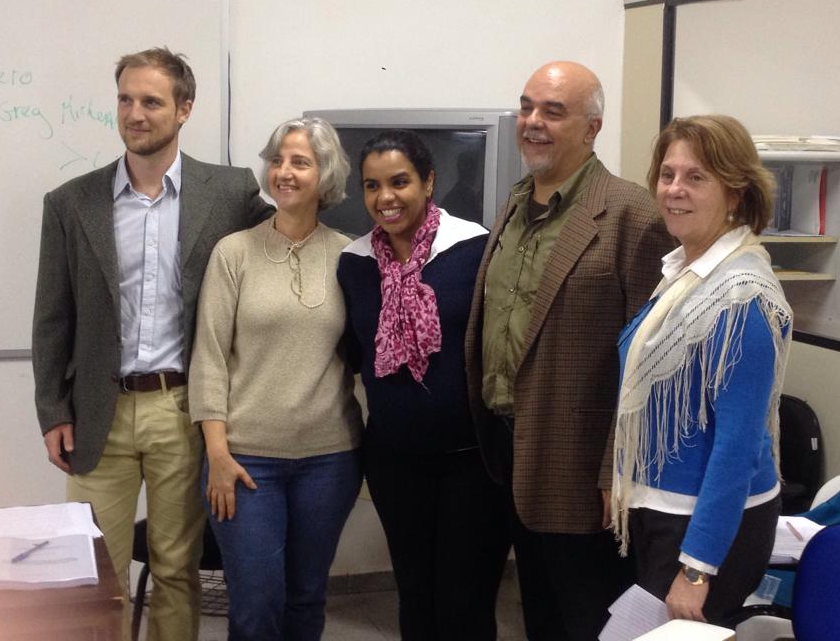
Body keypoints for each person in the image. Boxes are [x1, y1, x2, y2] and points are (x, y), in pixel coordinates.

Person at [31, 47, 273, 641]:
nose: (134, 113)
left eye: (151, 101)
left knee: (176, 570)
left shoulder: (229, 192)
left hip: (182, 410)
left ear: (184, 109)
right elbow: (52, 316)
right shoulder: (71, 202)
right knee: (95, 574)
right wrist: (53, 410)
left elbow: (288, 237)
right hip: (98, 413)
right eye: (125, 99)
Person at [464, 61, 675, 640]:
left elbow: (650, 362)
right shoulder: (514, 205)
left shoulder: (633, 215)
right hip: (507, 451)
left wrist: (616, 467)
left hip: (583, 466)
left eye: (553, 111)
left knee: (590, 619)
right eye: (527, 107)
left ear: (592, 127)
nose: (533, 121)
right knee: (540, 614)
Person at [610, 114, 792, 625]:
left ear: (735, 192)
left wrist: (696, 569)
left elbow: (738, 446)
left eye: (696, 177)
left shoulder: (742, 296)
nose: (674, 189)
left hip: (706, 531)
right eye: (667, 174)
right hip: (666, 511)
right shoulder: (686, 273)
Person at [188, 117, 363, 640]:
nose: (284, 172)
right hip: (245, 462)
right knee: (256, 603)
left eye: (300, 162)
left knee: (306, 598)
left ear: (324, 174)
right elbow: (209, 358)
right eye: (278, 160)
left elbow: (362, 352)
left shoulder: (351, 256)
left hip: (329, 461)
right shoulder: (233, 252)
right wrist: (218, 455)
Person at [337, 129, 510, 641]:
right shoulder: (354, 263)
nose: (385, 198)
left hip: (472, 463)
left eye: (399, 182)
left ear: (428, 181)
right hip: (395, 463)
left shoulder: (475, 249)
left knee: (466, 603)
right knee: (414, 596)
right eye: (372, 186)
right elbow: (354, 351)